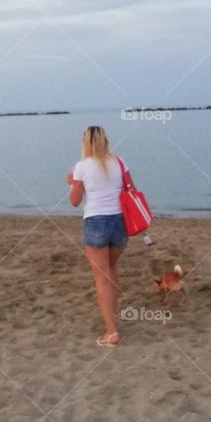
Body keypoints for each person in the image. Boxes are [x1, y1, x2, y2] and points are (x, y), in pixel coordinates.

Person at [65, 126, 137, 347]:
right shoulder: (119, 162)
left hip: (96, 221)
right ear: (106, 140)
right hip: (119, 222)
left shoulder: (82, 166)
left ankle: (111, 332)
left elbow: (75, 201)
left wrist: (74, 183)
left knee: (101, 277)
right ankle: (112, 318)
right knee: (111, 269)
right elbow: (132, 190)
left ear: (85, 142)